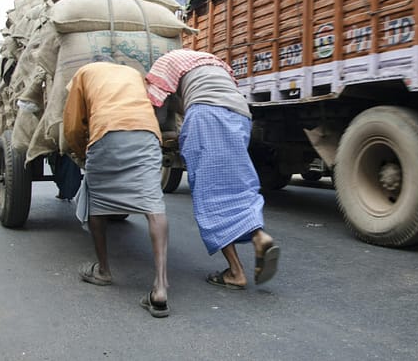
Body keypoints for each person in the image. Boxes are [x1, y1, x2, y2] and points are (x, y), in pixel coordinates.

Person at [146, 48, 280, 290]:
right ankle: (259, 237)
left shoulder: (164, 64)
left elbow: (156, 107)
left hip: (207, 115)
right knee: (239, 182)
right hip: (240, 115)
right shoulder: (211, 62)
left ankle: (236, 272)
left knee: (211, 193)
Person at [63, 56, 170, 318]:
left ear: (97, 62)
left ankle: (104, 271)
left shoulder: (84, 71)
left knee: (98, 203)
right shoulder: (133, 73)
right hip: (147, 133)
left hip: (106, 131)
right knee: (153, 205)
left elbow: (74, 122)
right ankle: (160, 286)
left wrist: (80, 151)